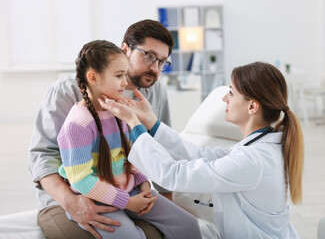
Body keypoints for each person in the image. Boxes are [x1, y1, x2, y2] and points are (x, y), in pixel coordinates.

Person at [99, 62, 305, 239]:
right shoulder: (259, 147)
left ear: (252, 107)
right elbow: (200, 155)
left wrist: (134, 125)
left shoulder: (253, 160)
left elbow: (173, 175)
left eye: (231, 93)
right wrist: (150, 121)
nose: (225, 98)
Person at [28, 19, 174, 239]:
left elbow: (160, 150)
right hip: (70, 196)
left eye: (162, 62)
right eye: (149, 56)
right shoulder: (66, 91)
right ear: (125, 49)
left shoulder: (155, 93)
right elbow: (42, 154)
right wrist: (71, 202)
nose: (154, 68)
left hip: (125, 190)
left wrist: (165, 206)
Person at [57, 39, 201, 239]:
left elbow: (130, 156)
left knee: (187, 224)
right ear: (93, 77)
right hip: (96, 199)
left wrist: (142, 182)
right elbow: (81, 180)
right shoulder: (78, 124)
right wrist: (127, 202)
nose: (125, 82)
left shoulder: (119, 111)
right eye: (118, 75)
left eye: (125, 74)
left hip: (129, 190)